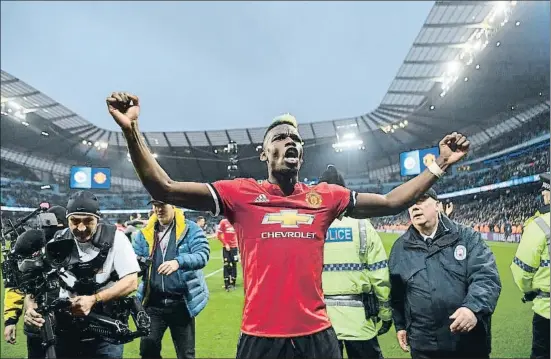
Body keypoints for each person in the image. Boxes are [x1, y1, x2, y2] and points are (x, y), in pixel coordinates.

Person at [107, 91, 470, 359]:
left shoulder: (325, 197)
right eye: (280, 139)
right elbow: (163, 188)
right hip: (260, 337)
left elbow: (393, 202)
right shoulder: (241, 194)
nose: (290, 142)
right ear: (264, 153)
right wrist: (131, 130)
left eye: (295, 139)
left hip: (317, 337)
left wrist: (439, 165)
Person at [24, 191, 140, 359]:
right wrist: (30, 307)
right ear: (67, 219)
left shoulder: (117, 239)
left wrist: (94, 299)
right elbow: (37, 284)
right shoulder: (57, 241)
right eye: (75, 221)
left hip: (105, 331)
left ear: (98, 219)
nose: (81, 228)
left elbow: (131, 282)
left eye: (88, 221)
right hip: (65, 329)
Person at [389, 188, 501, 359]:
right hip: (423, 346)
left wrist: (473, 308)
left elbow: (486, 277)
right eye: (411, 203)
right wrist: (400, 325)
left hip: (468, 342)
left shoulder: (467, 237)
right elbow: (397, 294)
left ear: (438, 206)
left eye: (421, 200)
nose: (415, 207)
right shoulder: (400, 248)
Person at [319, 166, 391, 359]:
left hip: (321, 323)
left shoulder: (311, 226)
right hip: (359, 321)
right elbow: (379, 272)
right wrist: (385, 312)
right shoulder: (362, 224)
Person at [133, 199, 209, 359]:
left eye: (162, 205)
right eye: (155, 205)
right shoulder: (144, 233)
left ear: (173, 205)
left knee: (186, 354)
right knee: (147, 349)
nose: (158, 209)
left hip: (181, 303)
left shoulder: (190, 229)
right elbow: (134, 263)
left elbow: (202, 255)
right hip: (153, 302)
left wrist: (178, 262)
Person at [4, 205, 68, 358]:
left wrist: (10, 320)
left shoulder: (72, 246)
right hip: (37, 324)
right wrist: (10, 321)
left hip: (68, 326)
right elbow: (17, 285)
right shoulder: (33, 244)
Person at [510, 173, 550, 359]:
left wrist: (529, 290)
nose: (543, 193)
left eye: (546, 189)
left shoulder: (539, 226)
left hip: (547, 311)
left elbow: (521, 271)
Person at [217, 217, 239, 291]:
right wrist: (225, 244)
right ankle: (227, 284)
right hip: (226, 248)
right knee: (226, 265)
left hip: (234, 248)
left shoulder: (237, 222)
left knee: (234, 264)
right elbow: (218, 235)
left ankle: (233, 284)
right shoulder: (223, 222)